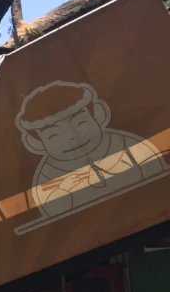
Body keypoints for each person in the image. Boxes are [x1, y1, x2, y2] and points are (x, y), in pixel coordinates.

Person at [15, 81, 166, 220]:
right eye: (54, 135)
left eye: (81, 122)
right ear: (36, 143)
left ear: (99, 115)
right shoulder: (48, 176)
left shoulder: (124, 144)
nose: (72, 137)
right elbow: (54, 213)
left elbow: (157, 173)